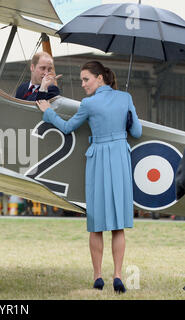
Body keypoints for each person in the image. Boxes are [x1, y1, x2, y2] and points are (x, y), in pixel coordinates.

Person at [36, 61, 142, 293]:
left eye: (86, 79)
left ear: (100, 78)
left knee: (96, 224)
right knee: (118, 225)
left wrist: (48, 112)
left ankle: (97, 277)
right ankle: (117, 275)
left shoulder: (89, 104)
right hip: (120, 158)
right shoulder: (125, 98)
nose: (83, 84)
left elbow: (66, 127)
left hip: (98, 160)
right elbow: (136, 132)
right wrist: (128, 119)